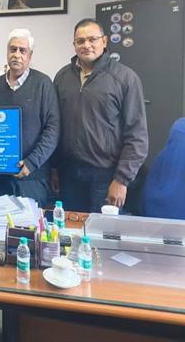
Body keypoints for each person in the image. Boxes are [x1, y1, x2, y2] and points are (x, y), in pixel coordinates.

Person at [52, 19, 148, 212]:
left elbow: (137, 136)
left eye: (92, 39)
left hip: (106, 177)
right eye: (80, 41)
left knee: (102, 230)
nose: (86, 45)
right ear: (74, 45)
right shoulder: (62, 77)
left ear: (104, 41)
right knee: (71, 228)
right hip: (69, 175)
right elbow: (55, 127)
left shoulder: (125, 78)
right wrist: (54, 168)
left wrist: (121, 180)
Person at [0, 29, 60, 206]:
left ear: (30, 56)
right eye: (13, 49)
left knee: (30, 223)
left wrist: (31, 163)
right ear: (7, 53)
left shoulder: (43, 84)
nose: (16, 55)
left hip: (32, 177)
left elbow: (53, 131)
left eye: (22, 50)